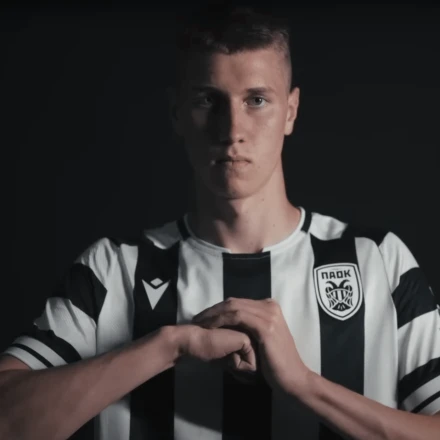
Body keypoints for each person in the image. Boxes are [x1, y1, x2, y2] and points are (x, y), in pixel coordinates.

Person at [1, 4, 439, 440]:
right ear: (176, 112)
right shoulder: (113, 270)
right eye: (208, 100)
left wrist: (303, 384)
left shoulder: (378, 262)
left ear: (290, 110)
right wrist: (168, 346)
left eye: (257, 100)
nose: (232, 130)